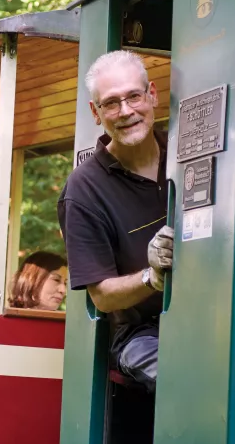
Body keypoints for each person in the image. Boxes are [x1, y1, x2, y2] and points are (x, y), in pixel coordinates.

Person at [57, 50, 174, 394]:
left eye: (134, 96)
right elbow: (102, 297)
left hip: (206, 314)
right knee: (186, 380)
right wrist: (152, 277)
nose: (126, 112)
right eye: (111, 103)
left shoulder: (189, 153)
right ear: (96, 113)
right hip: (141, 334)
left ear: (152, 95)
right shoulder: (83, 189)